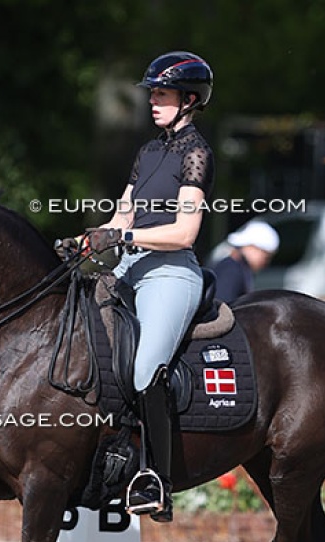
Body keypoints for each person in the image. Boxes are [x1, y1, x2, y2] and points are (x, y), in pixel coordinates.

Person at [79, 51, 214, 522]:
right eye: (152, 93)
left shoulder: (196, 153)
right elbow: (122, 215)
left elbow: (184, 232)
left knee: (143, 370)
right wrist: (88, 239)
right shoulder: (148, 152)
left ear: (189, 100)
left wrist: (125, 236)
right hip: (130, 267)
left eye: (162, 94)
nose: (153, 101)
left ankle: (156, 479)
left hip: (170, 272)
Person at [210, 221, 279, 303]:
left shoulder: (239, 267)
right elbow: (221, 305)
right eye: (265, 256)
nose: (266, 262)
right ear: (252, 247)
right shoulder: (231, 270)